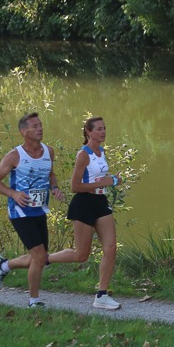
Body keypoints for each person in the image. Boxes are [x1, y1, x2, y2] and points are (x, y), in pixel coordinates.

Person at [0, 113, 66, 308]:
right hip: (20, 211)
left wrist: (54, 188)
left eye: (40, 125)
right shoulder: (15, 155)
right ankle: (33, 301)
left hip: (39, 210)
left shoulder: (49, 151)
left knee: (40, 258)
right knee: (39, 257)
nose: (40, 129)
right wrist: (13, 194)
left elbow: (50, 174)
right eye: (34, 126)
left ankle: (3, 266)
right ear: (23, 131)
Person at [45, 116, 122, 310]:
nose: (103, 132)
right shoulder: (84, 154)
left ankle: (102, 295)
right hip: (84, 204)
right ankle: (44, 259)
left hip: (100, 202)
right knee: (81, 254)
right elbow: (74, 186)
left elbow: (100, 178)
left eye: (104, 128)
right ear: (88, 132)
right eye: (98, 129)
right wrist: (102, 183)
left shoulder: (101, 151)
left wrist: (113, 180)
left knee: (111, 247)